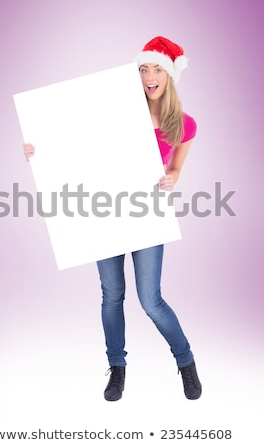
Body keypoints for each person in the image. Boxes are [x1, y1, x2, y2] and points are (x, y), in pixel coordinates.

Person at [23, 36, 202, 402]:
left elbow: (177, 166)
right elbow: (73, 139)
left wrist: (173, 176)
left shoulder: (183, 124)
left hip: (145, 215)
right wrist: (37, 149)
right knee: (112, 296)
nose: (150, 76)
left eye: (156, 69)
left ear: (169, 76)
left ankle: (185, 361)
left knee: (151, 300)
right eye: (143, 69)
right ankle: (117, 368)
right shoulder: (116, 111)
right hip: (105, 213)